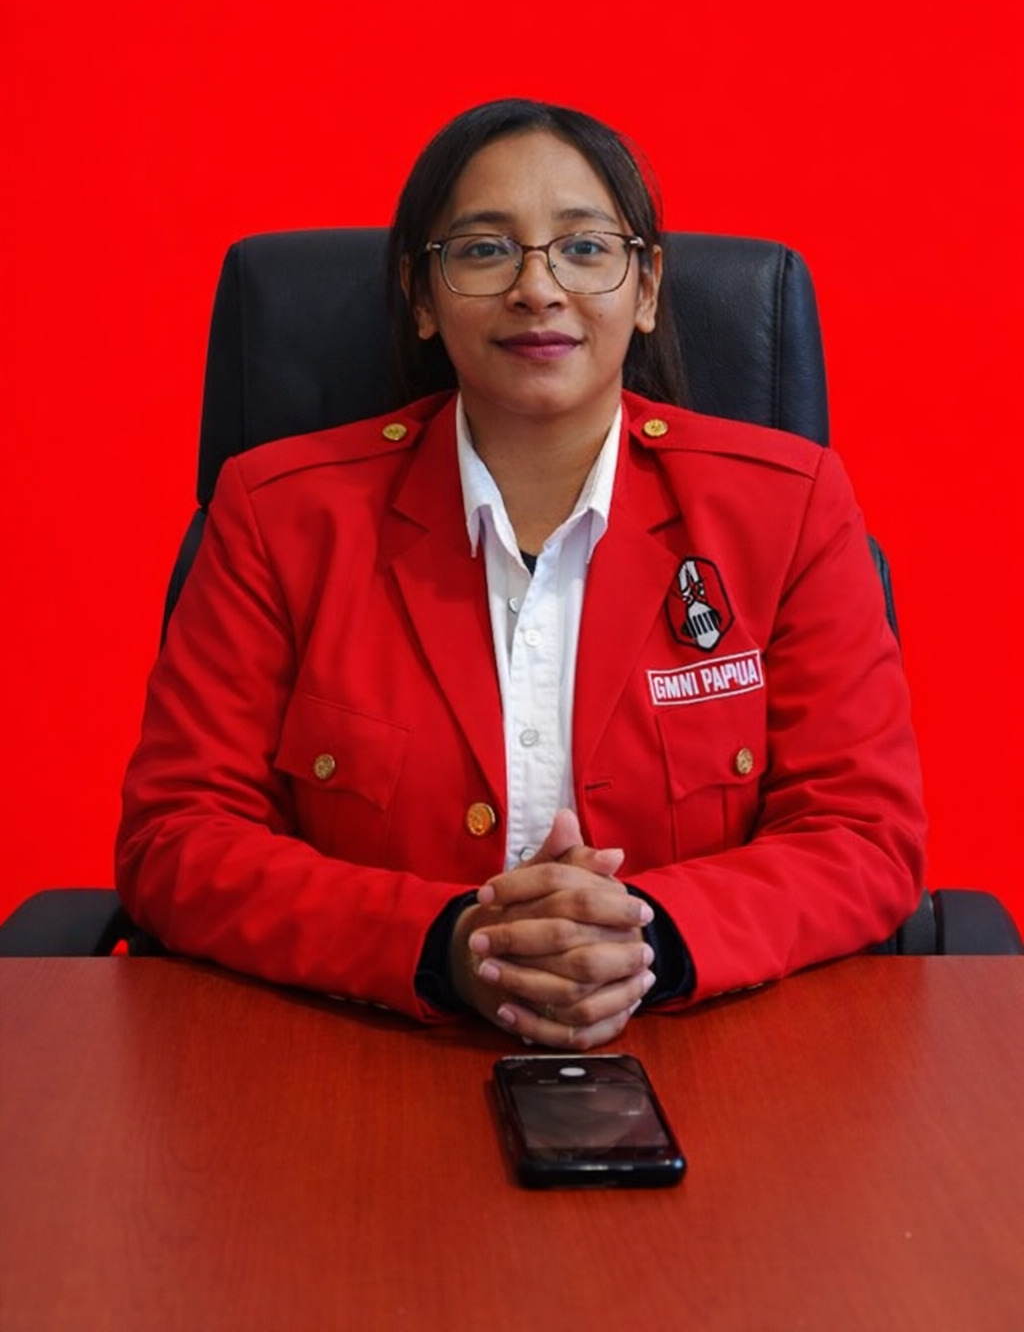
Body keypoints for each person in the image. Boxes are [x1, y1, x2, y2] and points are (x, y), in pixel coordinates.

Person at [115, 98, 927, 1050]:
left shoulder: (785, 509)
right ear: (422, 297)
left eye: (584, 248)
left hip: (712, 1056)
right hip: (359, 1060)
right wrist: (442, 945)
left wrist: (651, 940)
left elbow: (861, 833)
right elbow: (179, 835)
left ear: (647, 288)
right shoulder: (281, 516)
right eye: (484, 250)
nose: (538, 289)